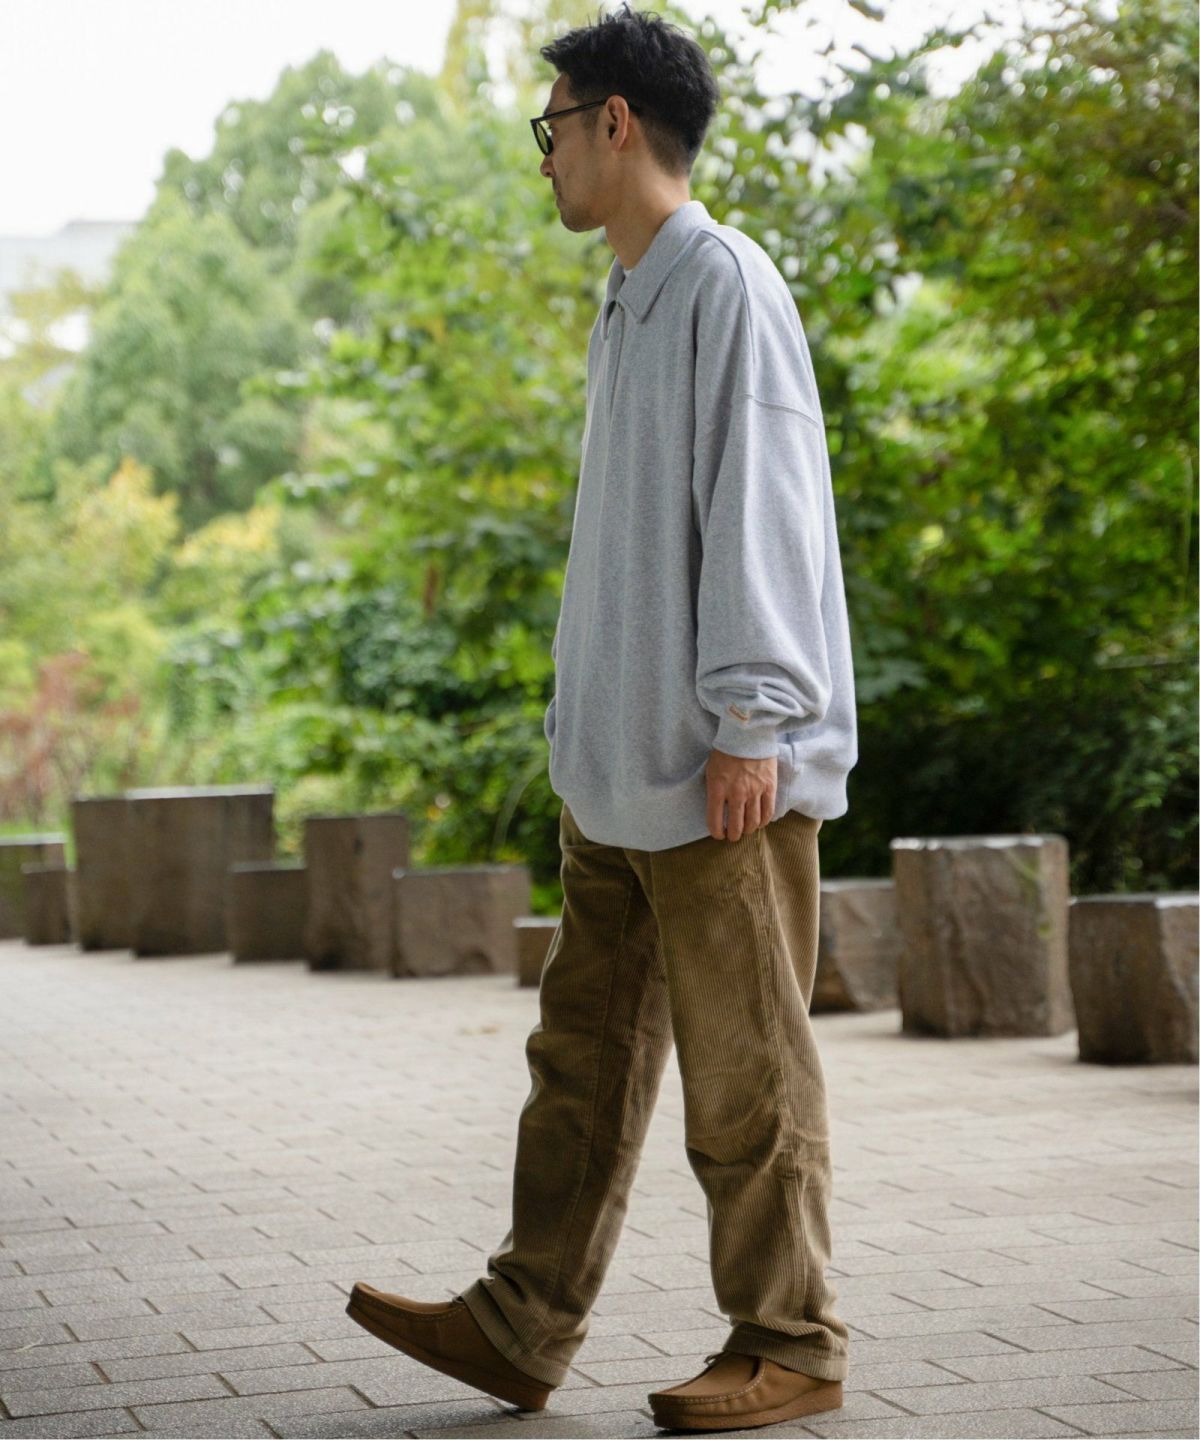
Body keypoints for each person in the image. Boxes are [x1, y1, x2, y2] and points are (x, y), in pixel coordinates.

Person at [346, 3, 857, 1430]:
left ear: (615, 121)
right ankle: (523, 1322)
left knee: (746, 1075)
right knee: (582, 1063)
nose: (548, 153)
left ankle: (792, 1342)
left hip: (719, 772)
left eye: (555, 124)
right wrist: (580, 720)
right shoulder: (629, 297)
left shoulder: (724, 282)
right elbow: (627, 545)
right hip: (622, 770)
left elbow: (763, 504)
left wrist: (753, 719)